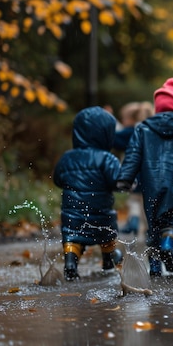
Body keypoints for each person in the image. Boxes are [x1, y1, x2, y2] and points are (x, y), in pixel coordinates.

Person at [116, 78, 173, 277]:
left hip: (150, 184)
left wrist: (125, 178)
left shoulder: (142, 128)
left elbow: (133, 155)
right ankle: (168, 244)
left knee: (153, 225)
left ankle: (156, 267)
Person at [53, 106, 122, 281]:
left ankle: (70, 262)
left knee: (72, 237)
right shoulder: (108, 159)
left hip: (72, 214)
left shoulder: (67, 158)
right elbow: (117, 182)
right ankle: (108, 260)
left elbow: (58, 179)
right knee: (106, 236)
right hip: (101, 214)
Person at [113, 101, 153, 236]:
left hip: (135, 172)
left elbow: (115, 138)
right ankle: (149, 228)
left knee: (135, 199)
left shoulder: (130, 131)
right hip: (149, 173)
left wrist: (111, 120)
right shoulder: (146, 130)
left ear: (131, 118)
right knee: (145, 201)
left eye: (123, 118)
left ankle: (134, 222)